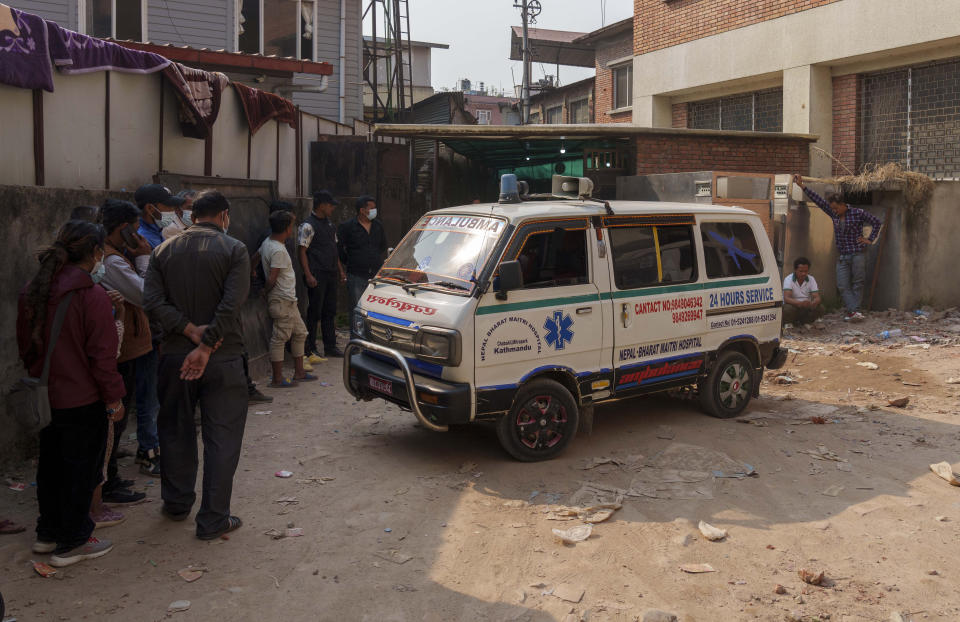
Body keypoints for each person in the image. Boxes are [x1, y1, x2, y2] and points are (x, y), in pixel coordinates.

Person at [17, 220, 125, 567]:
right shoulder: (89, 296)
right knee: (81, 470)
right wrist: (114, 397)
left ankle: (48, 534)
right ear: (95, 253)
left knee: (50, 466)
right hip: (82, 399)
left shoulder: (36, 289)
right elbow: (102, 356)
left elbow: (26, 346)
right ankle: (75, 539)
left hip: (46, 396)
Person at [144, 190, 249, 540]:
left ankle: (176, 503)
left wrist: (188, 332)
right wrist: (205, 346)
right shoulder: (234, 250)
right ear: (224, 215)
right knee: (222, 438)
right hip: (222, 359)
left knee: (175, 430)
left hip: (175, 356)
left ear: (193, 215)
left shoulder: (162, 250)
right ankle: (213, 519)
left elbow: (153, 302)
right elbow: (231, 305)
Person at [100, 199, 162, 479]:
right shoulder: (112, 261)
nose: (138, 235)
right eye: (135, 229)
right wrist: (144, 257)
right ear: (124, 229)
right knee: (132, 404)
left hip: (135, 340)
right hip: (126, 345)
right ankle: (114, 471)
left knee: (138, 400)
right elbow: (145, 295)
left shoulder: (116, 255)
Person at [793, 175, 882, 321]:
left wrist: (869, 239)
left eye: (835, 208)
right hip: (842, 256)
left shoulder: (857, 213)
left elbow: (876, 222)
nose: (833, 211)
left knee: (858, 283)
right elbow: (819, 201)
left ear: (842, 205)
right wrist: (802, 186)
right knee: (842, 285)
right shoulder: (833, 214)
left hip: (858, 254)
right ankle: (854, 311)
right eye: (832, 208)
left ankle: (853, 312)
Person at [262, 210, 316, 387]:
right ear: (287, 228)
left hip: (288, 301)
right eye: (292, 226)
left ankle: (299, 372)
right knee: (280, 338)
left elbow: (255, 257)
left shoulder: (268, 243)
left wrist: (254, 269)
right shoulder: (277, 249)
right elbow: (272, 278)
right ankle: (277, 379)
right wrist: (265, 291)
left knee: (300, 333)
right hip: (282, 300)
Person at [300, 190, 345, 360]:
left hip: (331, 272)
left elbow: (334, 250)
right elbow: (302, 251)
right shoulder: (307, 226)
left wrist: (340, 271)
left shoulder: (329, 225)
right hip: (317, 273)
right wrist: (308, 274)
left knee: (330, 310)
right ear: (322, 205)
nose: (332, 208)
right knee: (315, 312)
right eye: (330, 205)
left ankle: (330, 346)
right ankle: (311, 347)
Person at [338, 194, 387, 316]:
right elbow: (338, 251)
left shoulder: (378, 226)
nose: (374, 211)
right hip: (356, 276)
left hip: (375, 276)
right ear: (362, 210)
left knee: (376, 311)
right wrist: (344, 269)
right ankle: (356, 335)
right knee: (357, 310)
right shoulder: (347, 227)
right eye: (371, 208)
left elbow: (382, 247)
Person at [135, 184, 185, 250]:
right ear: (150, 208)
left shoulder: (157, 230)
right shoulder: (144, 239)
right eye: (168, 206)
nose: (173, 210)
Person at [782, 256, 824, 326]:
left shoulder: (811, 279)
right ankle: (789, 324)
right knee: (787, 309)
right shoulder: (788, 279)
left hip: (806, 307)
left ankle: (805, 322)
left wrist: (813, 303)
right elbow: (786, 298)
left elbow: (817, 297)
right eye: (801, 271)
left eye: (806, 271)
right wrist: (800, 303)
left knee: (820, 308)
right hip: (794, 306)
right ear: (795, 270)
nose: (803, 274)